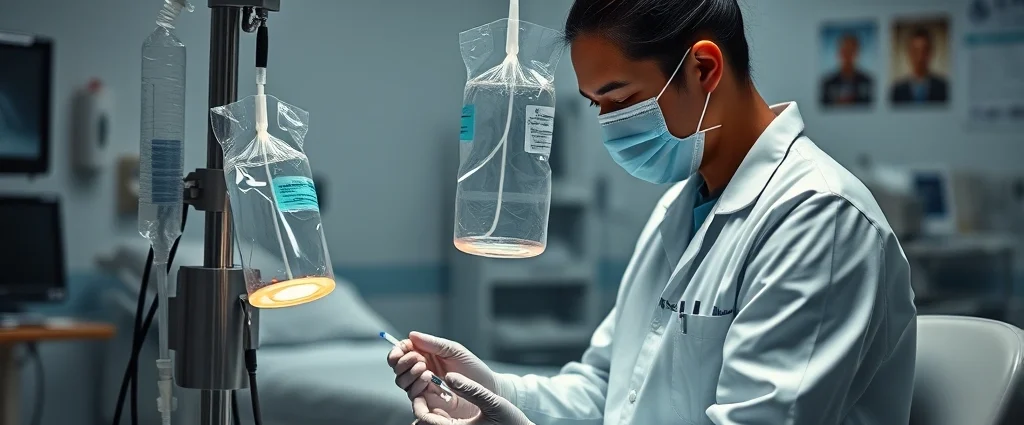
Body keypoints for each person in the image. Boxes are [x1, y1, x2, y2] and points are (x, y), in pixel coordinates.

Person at [389, 1, 918, 424]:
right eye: (596, 105)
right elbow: (607, 390)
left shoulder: (817, 219)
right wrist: (492, 393)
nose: (610, 126)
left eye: (620, 99)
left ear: (704, 67)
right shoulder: (680, 209)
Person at [891, 27, 949, 104]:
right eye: (915, 51)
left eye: (924, 51)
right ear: (909, 53)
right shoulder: (897, 90)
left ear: (931, 53)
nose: (920, 57)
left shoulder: (944, 88)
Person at [821, 32, 874, 106]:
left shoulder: (867, 82)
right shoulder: (827, 83)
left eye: (851, 51)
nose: (848, 55)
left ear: (857, 53)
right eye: (845, 51)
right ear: (840, 53)